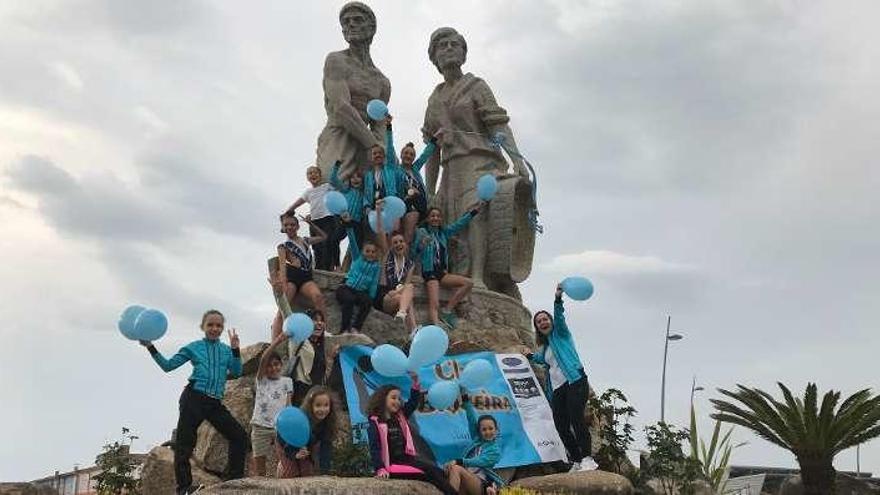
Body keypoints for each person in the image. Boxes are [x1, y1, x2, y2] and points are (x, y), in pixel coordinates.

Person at [422, 27, 532, 298]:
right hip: (452, 169)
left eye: (454, 44)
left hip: (480, 162)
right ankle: (456, 274)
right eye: (442, 46)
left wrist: (516, 160)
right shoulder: (434, 99)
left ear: (463, 52)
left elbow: (497, 125)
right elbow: (432, 149)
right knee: (449, 220)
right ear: (434, 57)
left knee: (475, 214)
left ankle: (479, 277)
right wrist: (429, 189)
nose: (448, 49)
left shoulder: (476, 86)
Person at [139, 310, 247, 495]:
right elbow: (168, 366)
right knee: (184, 445)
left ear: (222, 328)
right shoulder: (193, 347)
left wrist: (235, 349)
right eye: (210, 325)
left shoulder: (226, 351)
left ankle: (233, 480)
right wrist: (150, 346)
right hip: (194, 398)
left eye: (218, 325)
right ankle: (184, 488)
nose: (214, 328)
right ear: (203, 327)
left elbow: (237, 372)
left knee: (239, 437)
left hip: (214, 403)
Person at [523, 284, 597, 472]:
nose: (542, 322)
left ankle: (588, 458)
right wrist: (529, 355)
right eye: (538, 321)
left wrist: (557, 298)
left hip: (575, 381)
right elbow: (542, 359)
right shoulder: (547, 347)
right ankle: (578, 460)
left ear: (551, 321)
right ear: (537, 328)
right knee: (561, 426)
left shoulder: (561, 334)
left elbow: (560, 317)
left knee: (576, 419)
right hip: (558, 389)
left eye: (545, 319)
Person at [366, 373, 456, 495]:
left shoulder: (400, 416)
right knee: (429, 473)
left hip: (407, 460)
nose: (397, 401)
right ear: (382, 398)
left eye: (399, 398)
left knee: (438, 471)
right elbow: (375, 448)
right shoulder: (375, 421)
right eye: (393, 398)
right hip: (391, 465)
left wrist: (415, 384)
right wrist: (380, 469)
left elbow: (413, 402)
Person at [414, 204, 484, 328]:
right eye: (432, 216)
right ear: (428, 219)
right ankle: (436, 326)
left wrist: (473, 212)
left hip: (442, 273)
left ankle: (447, 310)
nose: (435, 218)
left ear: (441, 219)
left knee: (468, 283)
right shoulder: (422, 232)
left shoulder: (443, 233)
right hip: (429, 272)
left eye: (438, 216)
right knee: (434, 303)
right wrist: (421, 246)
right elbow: (414, 252)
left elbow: (459, 224)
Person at [271, 210, 328, 340]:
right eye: (286, 225)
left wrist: (310, 223)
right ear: (283, 228)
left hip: (305, 278)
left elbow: (324, 237)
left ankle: (325, 331)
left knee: (318, 297)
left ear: (297, 226)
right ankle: (274, 341)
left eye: (292, 224)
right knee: (283, 309)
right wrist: (284, 284)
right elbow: (282, 265)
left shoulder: (305, 240)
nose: (289, 227)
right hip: (292, 279)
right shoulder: (283, 246)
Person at [385, 116, 441, 245]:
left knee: (409, 236)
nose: (408, 156)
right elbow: (389, 148)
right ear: (401, 155)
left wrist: (434, 139)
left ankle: (406, 261)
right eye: (406, 153)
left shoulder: (415, 169)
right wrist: (388, 127)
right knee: (398, 234)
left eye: (411, 154)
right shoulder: (395, 169)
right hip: (402, 203)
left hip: (417, 205)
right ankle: (394, 261)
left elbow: (425, 155)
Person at [336, 201, 384, 334]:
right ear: (362, 252)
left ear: (376, 254)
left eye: (373, 252)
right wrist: (348, 225)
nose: (370, 254)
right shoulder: (357, 258)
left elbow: (374, 283)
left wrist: (372, 298)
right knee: (349, 300)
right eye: (367, 251)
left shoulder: (376, 266)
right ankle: (344, 329)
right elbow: (352, 239)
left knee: (367, 302)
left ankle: (356, 327)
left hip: (360, 293)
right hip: (347, 288)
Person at [250, 333, 294, 477]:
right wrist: (277, 341)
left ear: (281, 364)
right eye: (269, 366)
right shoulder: (261, 380)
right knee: (260, 468)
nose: (273, 368)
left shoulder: (287, 381)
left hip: (279, 428)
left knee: (285, 462)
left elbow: (289, 403)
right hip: (260, 426)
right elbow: (263, 360)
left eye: (276, 364)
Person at [445, 389, 504, 495]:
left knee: (456, 469)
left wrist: (459, 461)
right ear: (479, 432)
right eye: (484, 429)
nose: (488, 432)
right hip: (469, 480)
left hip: (483, 486)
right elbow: (472, 419)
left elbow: (479, 461)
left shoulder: (495, 451)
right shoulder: (477, 440)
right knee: (450, 469)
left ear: (496, 430)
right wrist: (465, 398)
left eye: (490, 428)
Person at [277, 386, 338, 477]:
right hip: (286, 443)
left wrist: (325, 472)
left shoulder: (328, 422)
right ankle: (282, 467)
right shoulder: (299, 419)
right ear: (310, 406)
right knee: (291, 474)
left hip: (306, 446)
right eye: (318, 405)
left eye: (326, 405)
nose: (322, 409)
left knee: (307, 473)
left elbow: (326, 447)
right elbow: (283, 439)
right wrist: (294, 454)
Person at [287, 166, 340, 270]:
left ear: (320, 175)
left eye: (315, 172)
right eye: (310, 173)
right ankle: (319, 267)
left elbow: (338, 193)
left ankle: (330, 267)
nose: (312, 175)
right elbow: (299, 201)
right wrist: (290, 209)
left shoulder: (327, 186)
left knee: (328, 243)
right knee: (316, 246)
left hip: (327, 218)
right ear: (307, 177)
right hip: (314, 222)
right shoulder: (308, 192)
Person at [376, 231, 418, 336]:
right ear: (391, 246)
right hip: (383, 296)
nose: (398, 244)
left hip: (396, 294)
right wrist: (378, 214)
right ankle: (413, 328)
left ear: (405, 244)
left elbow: (406, 284)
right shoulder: (388, 256)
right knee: (406, 297)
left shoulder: (410, 264)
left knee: (408, 289)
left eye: (401, 241)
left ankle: (402, 316)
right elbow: (381, 232)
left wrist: (396, 292)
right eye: (395, 242)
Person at [363, 117, 405, 214]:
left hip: (389, 204)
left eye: (379, 153)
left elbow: (389, 146)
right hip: (374, 208)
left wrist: (389, 127)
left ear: (384, 156)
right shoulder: (368, 175)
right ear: (371, 157)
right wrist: (366, 206)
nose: (377, 155)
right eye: (374, 153)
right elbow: (365, 193)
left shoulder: (389, 168)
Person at [329, 159, 366, 269]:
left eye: (358, 177)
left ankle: (355, 267)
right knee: (334, 240)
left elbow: (367, 204)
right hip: (344, 220)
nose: (355, 179)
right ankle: (337, 265)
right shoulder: (346, 190)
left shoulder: (363, 193)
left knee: (357, 245)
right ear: (349, 180)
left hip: (356, 222)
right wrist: (336, 166)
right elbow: (333, 180)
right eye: (352, 177)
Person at [288, 309, 328, 405]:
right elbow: (288, 314)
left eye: (321, 320)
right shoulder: (299, 340)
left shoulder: (320, 345)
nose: (319, 323)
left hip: (316, 394)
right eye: (315, 319)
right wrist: (280, 296)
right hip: (302, 392)